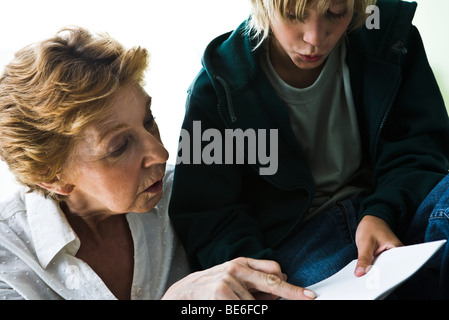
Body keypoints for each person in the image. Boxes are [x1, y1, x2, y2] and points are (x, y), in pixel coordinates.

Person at [0, 27, 315, 300]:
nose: (161, 154)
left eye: (148, 120)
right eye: (119, 146)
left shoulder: (195, 195)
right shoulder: (8, 259)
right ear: (52, 178)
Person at [168, 0, 449, 297]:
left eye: (336, 12)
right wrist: (260, 276)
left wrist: (383, 211)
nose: (315, 38)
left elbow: (420, 147)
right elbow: (209, 214)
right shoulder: (215, 89)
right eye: (294, 15)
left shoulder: (391, 37)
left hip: (394, 209)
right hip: (299, 247)